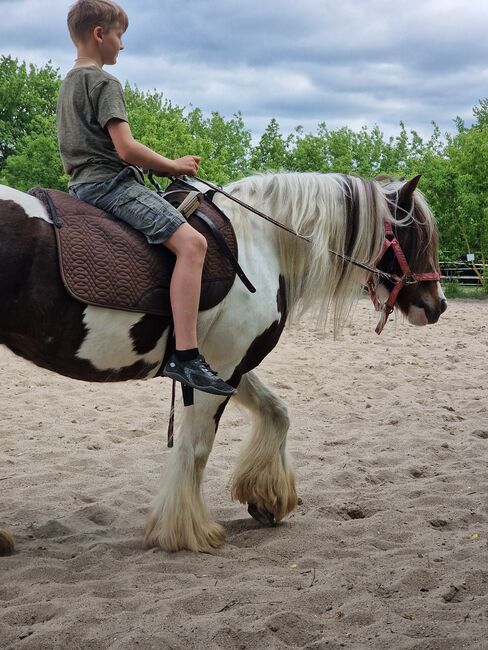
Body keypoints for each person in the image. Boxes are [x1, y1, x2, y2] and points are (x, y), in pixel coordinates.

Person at [57, 0, 235, 398]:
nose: (122, 46)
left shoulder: (68, 82)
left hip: (80, 186)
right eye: (119, 36)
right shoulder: (104, 84)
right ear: (100, 35)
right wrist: (174, 165)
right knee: (193, 244)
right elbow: (126, 149)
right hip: (111, 186)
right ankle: (186, 356)